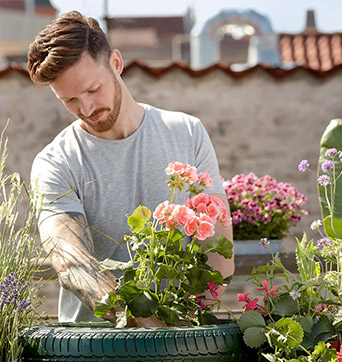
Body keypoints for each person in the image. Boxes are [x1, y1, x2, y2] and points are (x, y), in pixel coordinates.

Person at [27, 11, 233, 324]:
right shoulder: (55, 161)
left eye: (93, 89)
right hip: (94, 355)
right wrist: (143, 325)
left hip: (183, 349)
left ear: (116, 63)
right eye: (69, 100)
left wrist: (188, 326)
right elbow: (70, 260)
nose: (86, 108)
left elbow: (218, 250)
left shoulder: (187, 133)